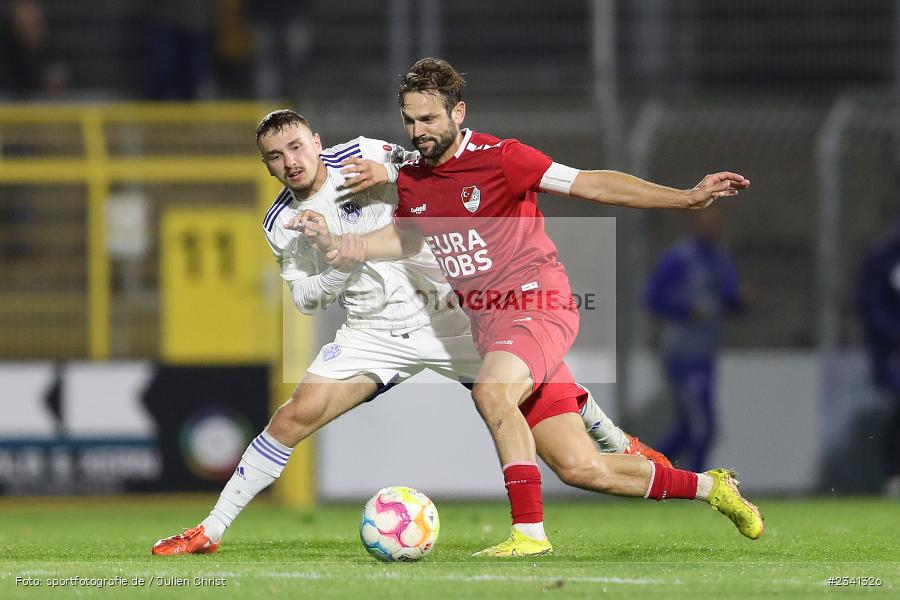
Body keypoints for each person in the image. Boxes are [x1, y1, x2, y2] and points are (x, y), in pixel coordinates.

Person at [150, 109, 668, 557]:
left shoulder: (361, 154)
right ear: (265, 164)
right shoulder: (280, 222)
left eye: (295, 146)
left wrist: (391, 167)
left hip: (450, 311)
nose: (289, 161)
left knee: (535, 389)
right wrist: (333, 256)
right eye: (274, 155)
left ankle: (618, 441)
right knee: (294, 415)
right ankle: (211, 528)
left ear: (317, 144)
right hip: (375, 331)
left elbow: (432, 167)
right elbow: (308, 300)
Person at [302, 58, 764, 557]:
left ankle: (529, 534)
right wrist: (351, 245)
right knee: (581, 467)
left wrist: (686, 199)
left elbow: (591, 182)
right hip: (491, 326)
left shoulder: (504, 158)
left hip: (536, 304)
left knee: (491, 393)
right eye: (410, 121)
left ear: (458, 112)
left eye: (429, 119)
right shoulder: (412, 180)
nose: (418, 131)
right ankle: (709, 487)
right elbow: (409, 237)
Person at [644, 207, 744, 472]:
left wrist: (739, 301)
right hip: (682, 354)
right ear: (692, 223)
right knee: (702, 425)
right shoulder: (678, 259)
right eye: (705, 220)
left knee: (689, 426)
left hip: (705, 353)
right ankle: (695, 485)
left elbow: (727, 296)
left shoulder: (720, 258)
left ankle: (647, 472)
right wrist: (686, 310)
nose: (711, 226)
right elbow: (653, 299)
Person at [858, 219, 900, 497]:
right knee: (896, 410)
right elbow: (868, 304)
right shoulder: (883, 258)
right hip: (894, 350)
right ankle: (894, 475)